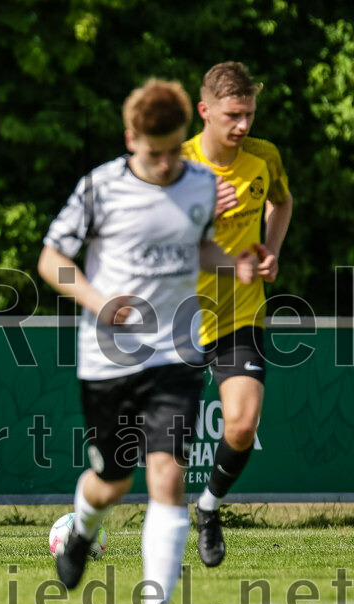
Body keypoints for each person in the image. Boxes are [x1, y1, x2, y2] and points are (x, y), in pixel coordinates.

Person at [38, 79, 256, 604]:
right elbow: (51, 257)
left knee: (167, 473)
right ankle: (83, 528)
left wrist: (235, 263)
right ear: (130, 137)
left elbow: (199, 245)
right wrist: (96, 300)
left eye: (172, 150)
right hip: (108, 356)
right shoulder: (100, 187)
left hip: (176, 349)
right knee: (112, 481)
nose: (164, 165)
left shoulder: (201, 183)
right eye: (153, 153)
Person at [181, 61, 293, 569]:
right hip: (174, 319)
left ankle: (208, 509)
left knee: (243, 425)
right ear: (205, 110)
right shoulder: (175, 165)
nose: (243, 125)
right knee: (161, 445)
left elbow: (282, 203)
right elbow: (144, 242)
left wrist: (271, 250)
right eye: (232, 115)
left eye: (248, 113)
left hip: (238, 317)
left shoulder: (263, 157)